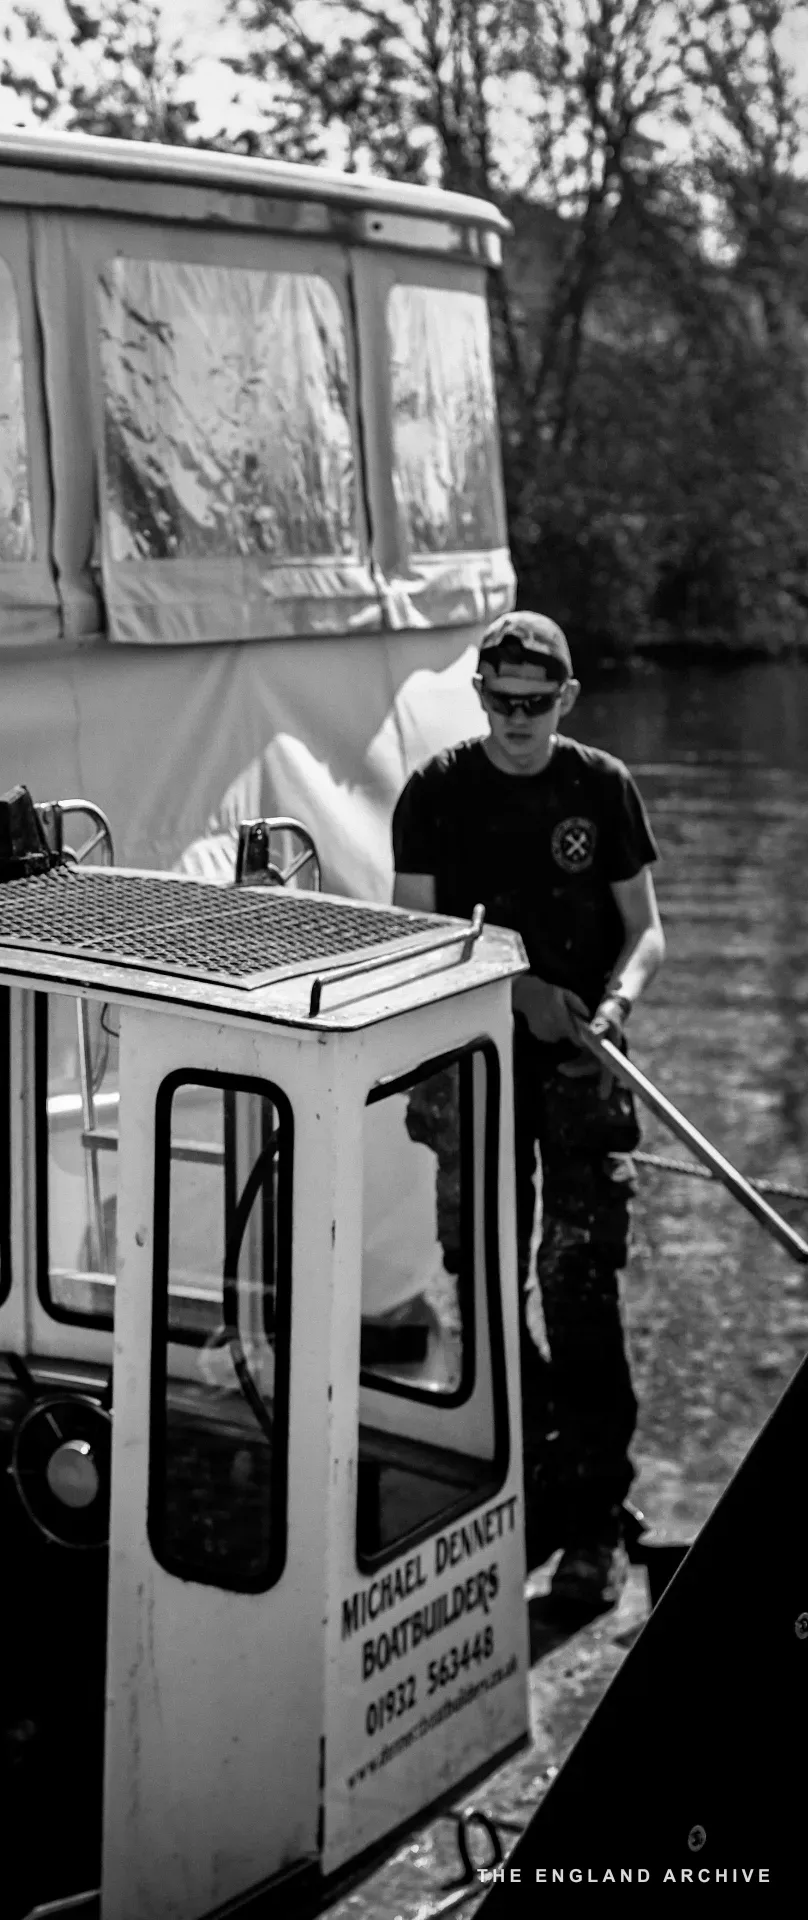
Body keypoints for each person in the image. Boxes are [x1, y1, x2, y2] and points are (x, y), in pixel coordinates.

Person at [393, 610, 665, 1614]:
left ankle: (592, 1519)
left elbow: (646, 930)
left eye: (535, 702)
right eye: (500, 701)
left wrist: (612, 1004)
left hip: (586, 1062)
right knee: (483, 1282)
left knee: (578, 1282)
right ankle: (549, 1474)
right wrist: (517, 995)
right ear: (480, 697)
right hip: (470, 1061)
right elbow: (415, 938)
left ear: (567, 699)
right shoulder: (436, 793)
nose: (516, 718)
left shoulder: (602, 786)